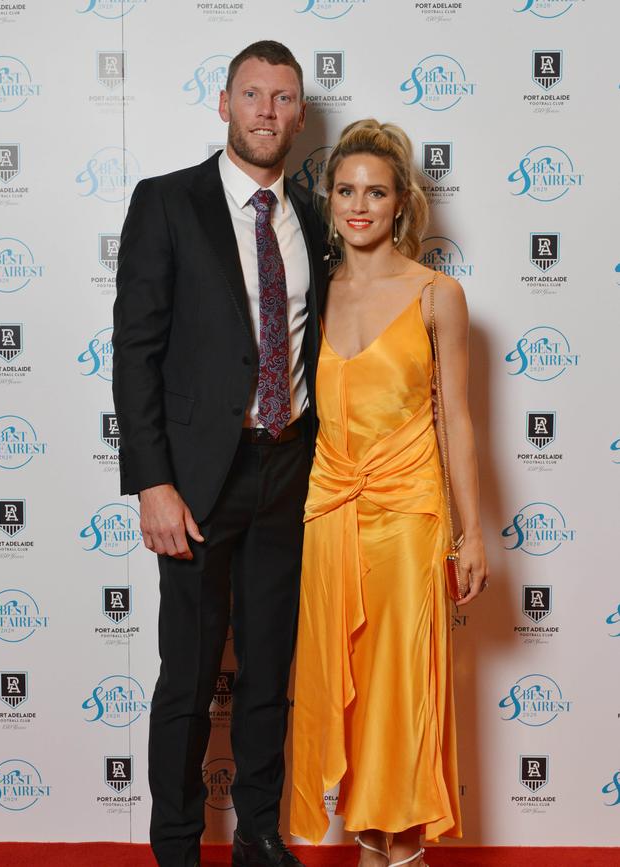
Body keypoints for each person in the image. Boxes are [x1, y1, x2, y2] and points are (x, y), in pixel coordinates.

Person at [112, 41, 327, 867]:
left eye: (282, 98)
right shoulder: (167, 202)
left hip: (287, 469)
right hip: (198, 480)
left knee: (270, 668)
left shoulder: (312, 215)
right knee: (190, 675)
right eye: (252, 94)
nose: (267, 111)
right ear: (224, 103)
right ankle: (175, 846)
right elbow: (137, 351)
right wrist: (153, 483)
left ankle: (261, 833)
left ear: (301, 115)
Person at [290, 120, 489, 866]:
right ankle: (367, 839)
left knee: (400, 691)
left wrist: (472, 532)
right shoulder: (314, 289)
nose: (359, 205)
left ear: (402, 202)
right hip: (328, 511)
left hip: (408, 516)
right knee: (347, 695)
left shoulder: (438, 294)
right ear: (330, 198)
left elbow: (459, 419)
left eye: (376, 191)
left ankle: (398, 850)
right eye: (346, 190)